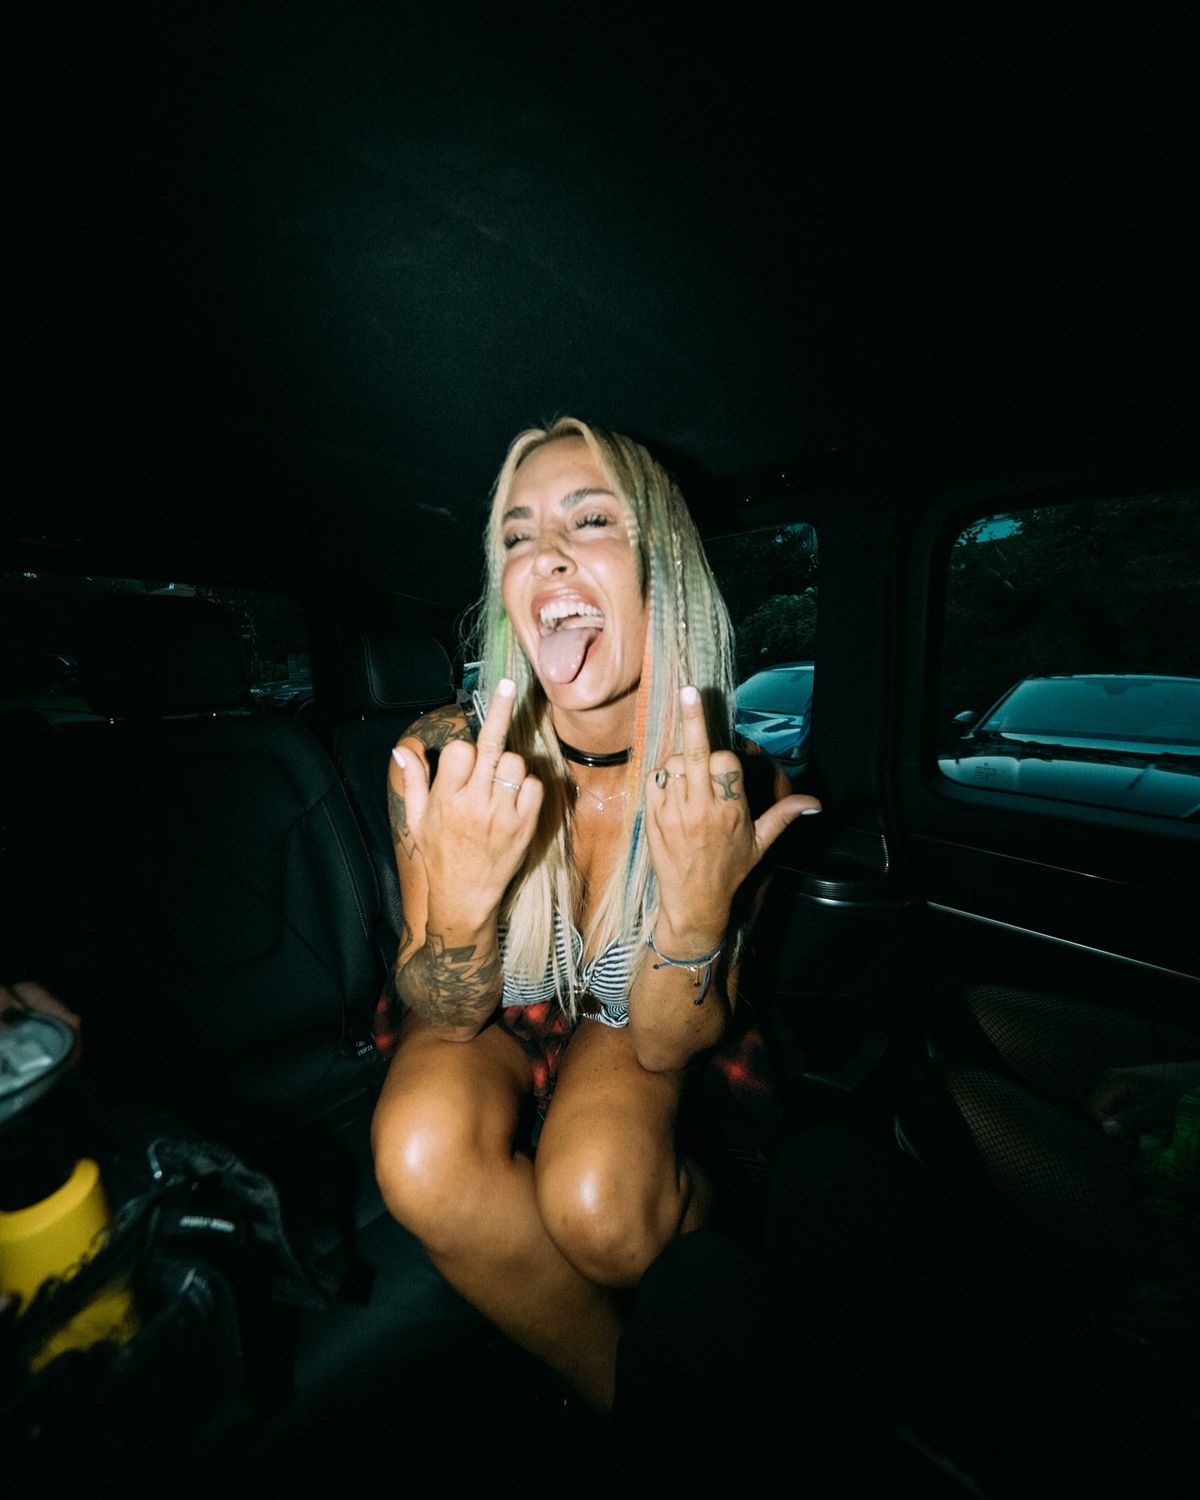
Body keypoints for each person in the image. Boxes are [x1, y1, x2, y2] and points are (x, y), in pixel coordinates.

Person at [370, 417, 819, 1410]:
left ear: (664, 568)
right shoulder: (441, 756)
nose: (548, 554)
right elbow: (441, 1007)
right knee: (419, 1149)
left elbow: (665, 1042)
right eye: (518, 534)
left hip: (639, 1018)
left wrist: (694, 914)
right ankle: (639, 1410)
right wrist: (465, 905)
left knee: (601, 1204)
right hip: (492, 1014)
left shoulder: (738, 785)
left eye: (591, 519)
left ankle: (726, 1296)